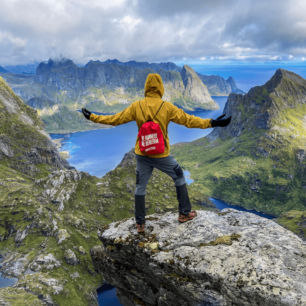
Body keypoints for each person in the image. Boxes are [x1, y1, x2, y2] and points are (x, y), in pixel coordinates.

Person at [82, 74, 231, 233]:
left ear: (146, 87)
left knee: (140, 187)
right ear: (160, 87)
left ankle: (140, 224)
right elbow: (189, 120)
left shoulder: (136, 106)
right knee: (179, 176)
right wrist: (212, 122)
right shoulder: (167, 107)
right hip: (162, 155)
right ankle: (184, 213)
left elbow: (114, 120)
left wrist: (92, 117)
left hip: (142, 155)